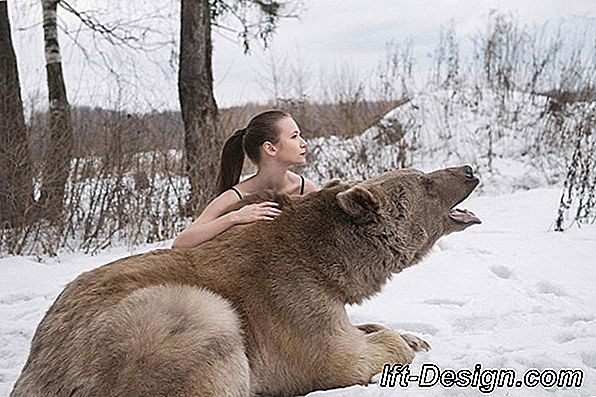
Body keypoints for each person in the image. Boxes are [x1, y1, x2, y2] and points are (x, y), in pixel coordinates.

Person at [172, 110, 318, 249]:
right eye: (294, 136)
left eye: (300, 135)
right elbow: (181, 242)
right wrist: (235, 217)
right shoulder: (236, 196)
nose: (303, 143)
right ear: (270, 148)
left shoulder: (306, 189)